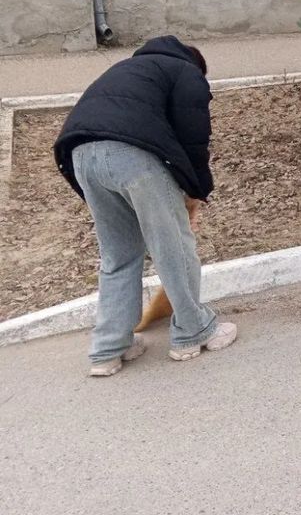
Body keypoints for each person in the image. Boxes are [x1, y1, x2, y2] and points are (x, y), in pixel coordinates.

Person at [54, 36, 237, 376]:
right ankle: (193, 331)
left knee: (118, 254)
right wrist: (197, 189)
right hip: (133, 156)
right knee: (173, 248)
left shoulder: (129, 69)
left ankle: (109, 349)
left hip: (79, 155)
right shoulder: (186, 72)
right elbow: (194, 136)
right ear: (197, 65)